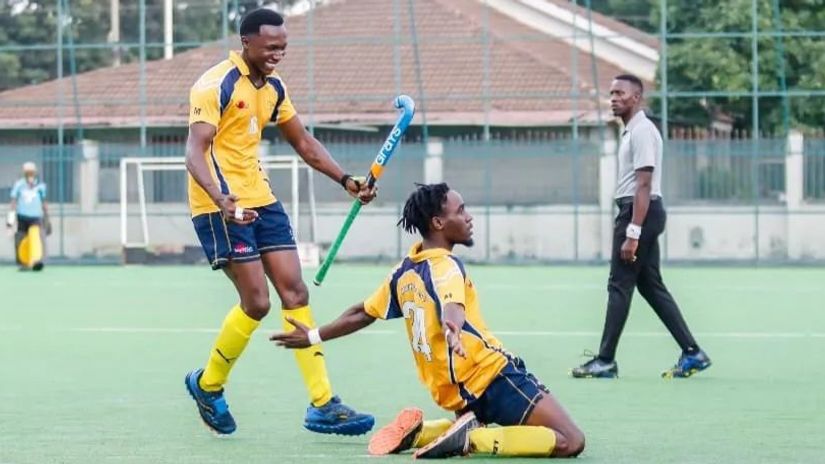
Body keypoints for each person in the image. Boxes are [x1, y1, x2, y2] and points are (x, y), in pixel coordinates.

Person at [272, 183, 585, 459]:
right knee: (571, 440)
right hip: (492, 377)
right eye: (461, 211)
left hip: (453, 394)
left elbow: (362, 312)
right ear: (438, 222)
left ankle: (422, 433)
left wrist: (313, 336)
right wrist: (453, 328)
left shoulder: (403, 271)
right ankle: (473, 439)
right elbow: (452, 304)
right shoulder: (447, 266)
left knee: (485, 424)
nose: (469, 217)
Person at [183, 8, 375, 436]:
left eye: (283, 48)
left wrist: (346, 180)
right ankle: (208, 385)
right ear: (246, 42)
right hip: (219, 204)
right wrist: (220, 198)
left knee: (295, 291)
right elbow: (195, 151)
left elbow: (303, 142)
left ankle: (323, 404)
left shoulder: (274, 88)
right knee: (257, 302)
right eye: (271, 47)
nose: (277, 55)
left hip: (262, 200)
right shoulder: (215, 84)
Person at [571, 74, 711, 379]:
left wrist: (632, 232)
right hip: (640, 212)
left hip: (638, 213)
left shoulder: (643, 131)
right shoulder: (632, 131)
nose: (613, 98)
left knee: (619, 284)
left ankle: (605, 360)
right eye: (611, 93)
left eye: (620, 93)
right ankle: (693, 353)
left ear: (636, 97)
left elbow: (644, 185)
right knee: (649, 285)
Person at [6, 161, 50, 271]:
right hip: (22, 216)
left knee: (37, 238)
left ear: (35, 173)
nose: (29, 174)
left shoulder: (40, 186)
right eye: (27, 172)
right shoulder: (19, 185)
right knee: (20, 239)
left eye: (31, 172)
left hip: (36, 217)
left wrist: (47, 217)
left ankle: (37, 261)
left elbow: (44, 202)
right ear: (24, 173)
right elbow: (13, 203)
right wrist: (10, 222)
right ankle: (23, 263)